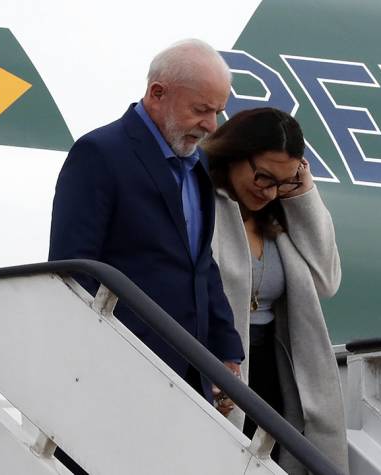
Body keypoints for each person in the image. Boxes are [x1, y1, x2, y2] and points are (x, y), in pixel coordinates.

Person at [48, 39, 244, 403]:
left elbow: (200, 262)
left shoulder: (197, 161)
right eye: (201, 110)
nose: (211, 125)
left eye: (218, 111)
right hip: (119, 370)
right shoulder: (99, 153)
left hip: (191, 372)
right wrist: (102, 354)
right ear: (157, 93)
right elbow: (72, 268)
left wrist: (225, 349)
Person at [203, 107, 349, 474]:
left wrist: (302, 194)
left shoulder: (281, 213)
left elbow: (327, 279)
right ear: (235, 153)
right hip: (220, 360)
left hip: (276, 373)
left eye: (281, 182)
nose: (268, 191)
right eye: (263, 176)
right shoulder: (203, 200)